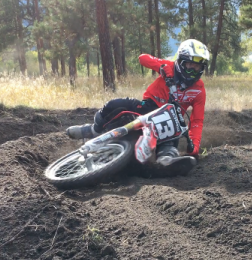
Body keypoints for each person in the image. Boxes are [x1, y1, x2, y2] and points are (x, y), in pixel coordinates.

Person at [66, 39, 210, 166]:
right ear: (181, 62)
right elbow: (143, 58)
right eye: (190, 65)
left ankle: (167, 158)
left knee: (173, 131)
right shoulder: (168, 67)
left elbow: (197, 121)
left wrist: (195, 147)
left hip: (169, 119)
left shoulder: (199, 90)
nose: (194, 70)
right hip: (148, 106)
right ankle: (93, 130)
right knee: (115, 104)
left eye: (198, 67)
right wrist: (162, 67)